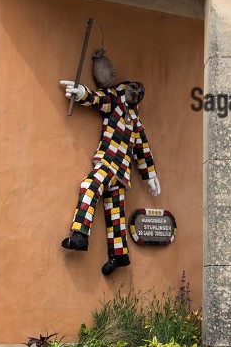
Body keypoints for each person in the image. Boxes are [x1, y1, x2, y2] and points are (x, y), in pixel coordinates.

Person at [59, 79, 160, 275]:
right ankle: (81, 235)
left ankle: (118, 255)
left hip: (121, 173)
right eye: (134, 90)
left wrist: (151, 175)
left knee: (115, 214)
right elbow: (98, 99)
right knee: (90, 186)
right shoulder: (114, 102)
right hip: (108, 162)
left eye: (140, 94)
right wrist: (82, 93)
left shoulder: (135, 122)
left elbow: (142, 150)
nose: (136, 95)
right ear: (125, 87)